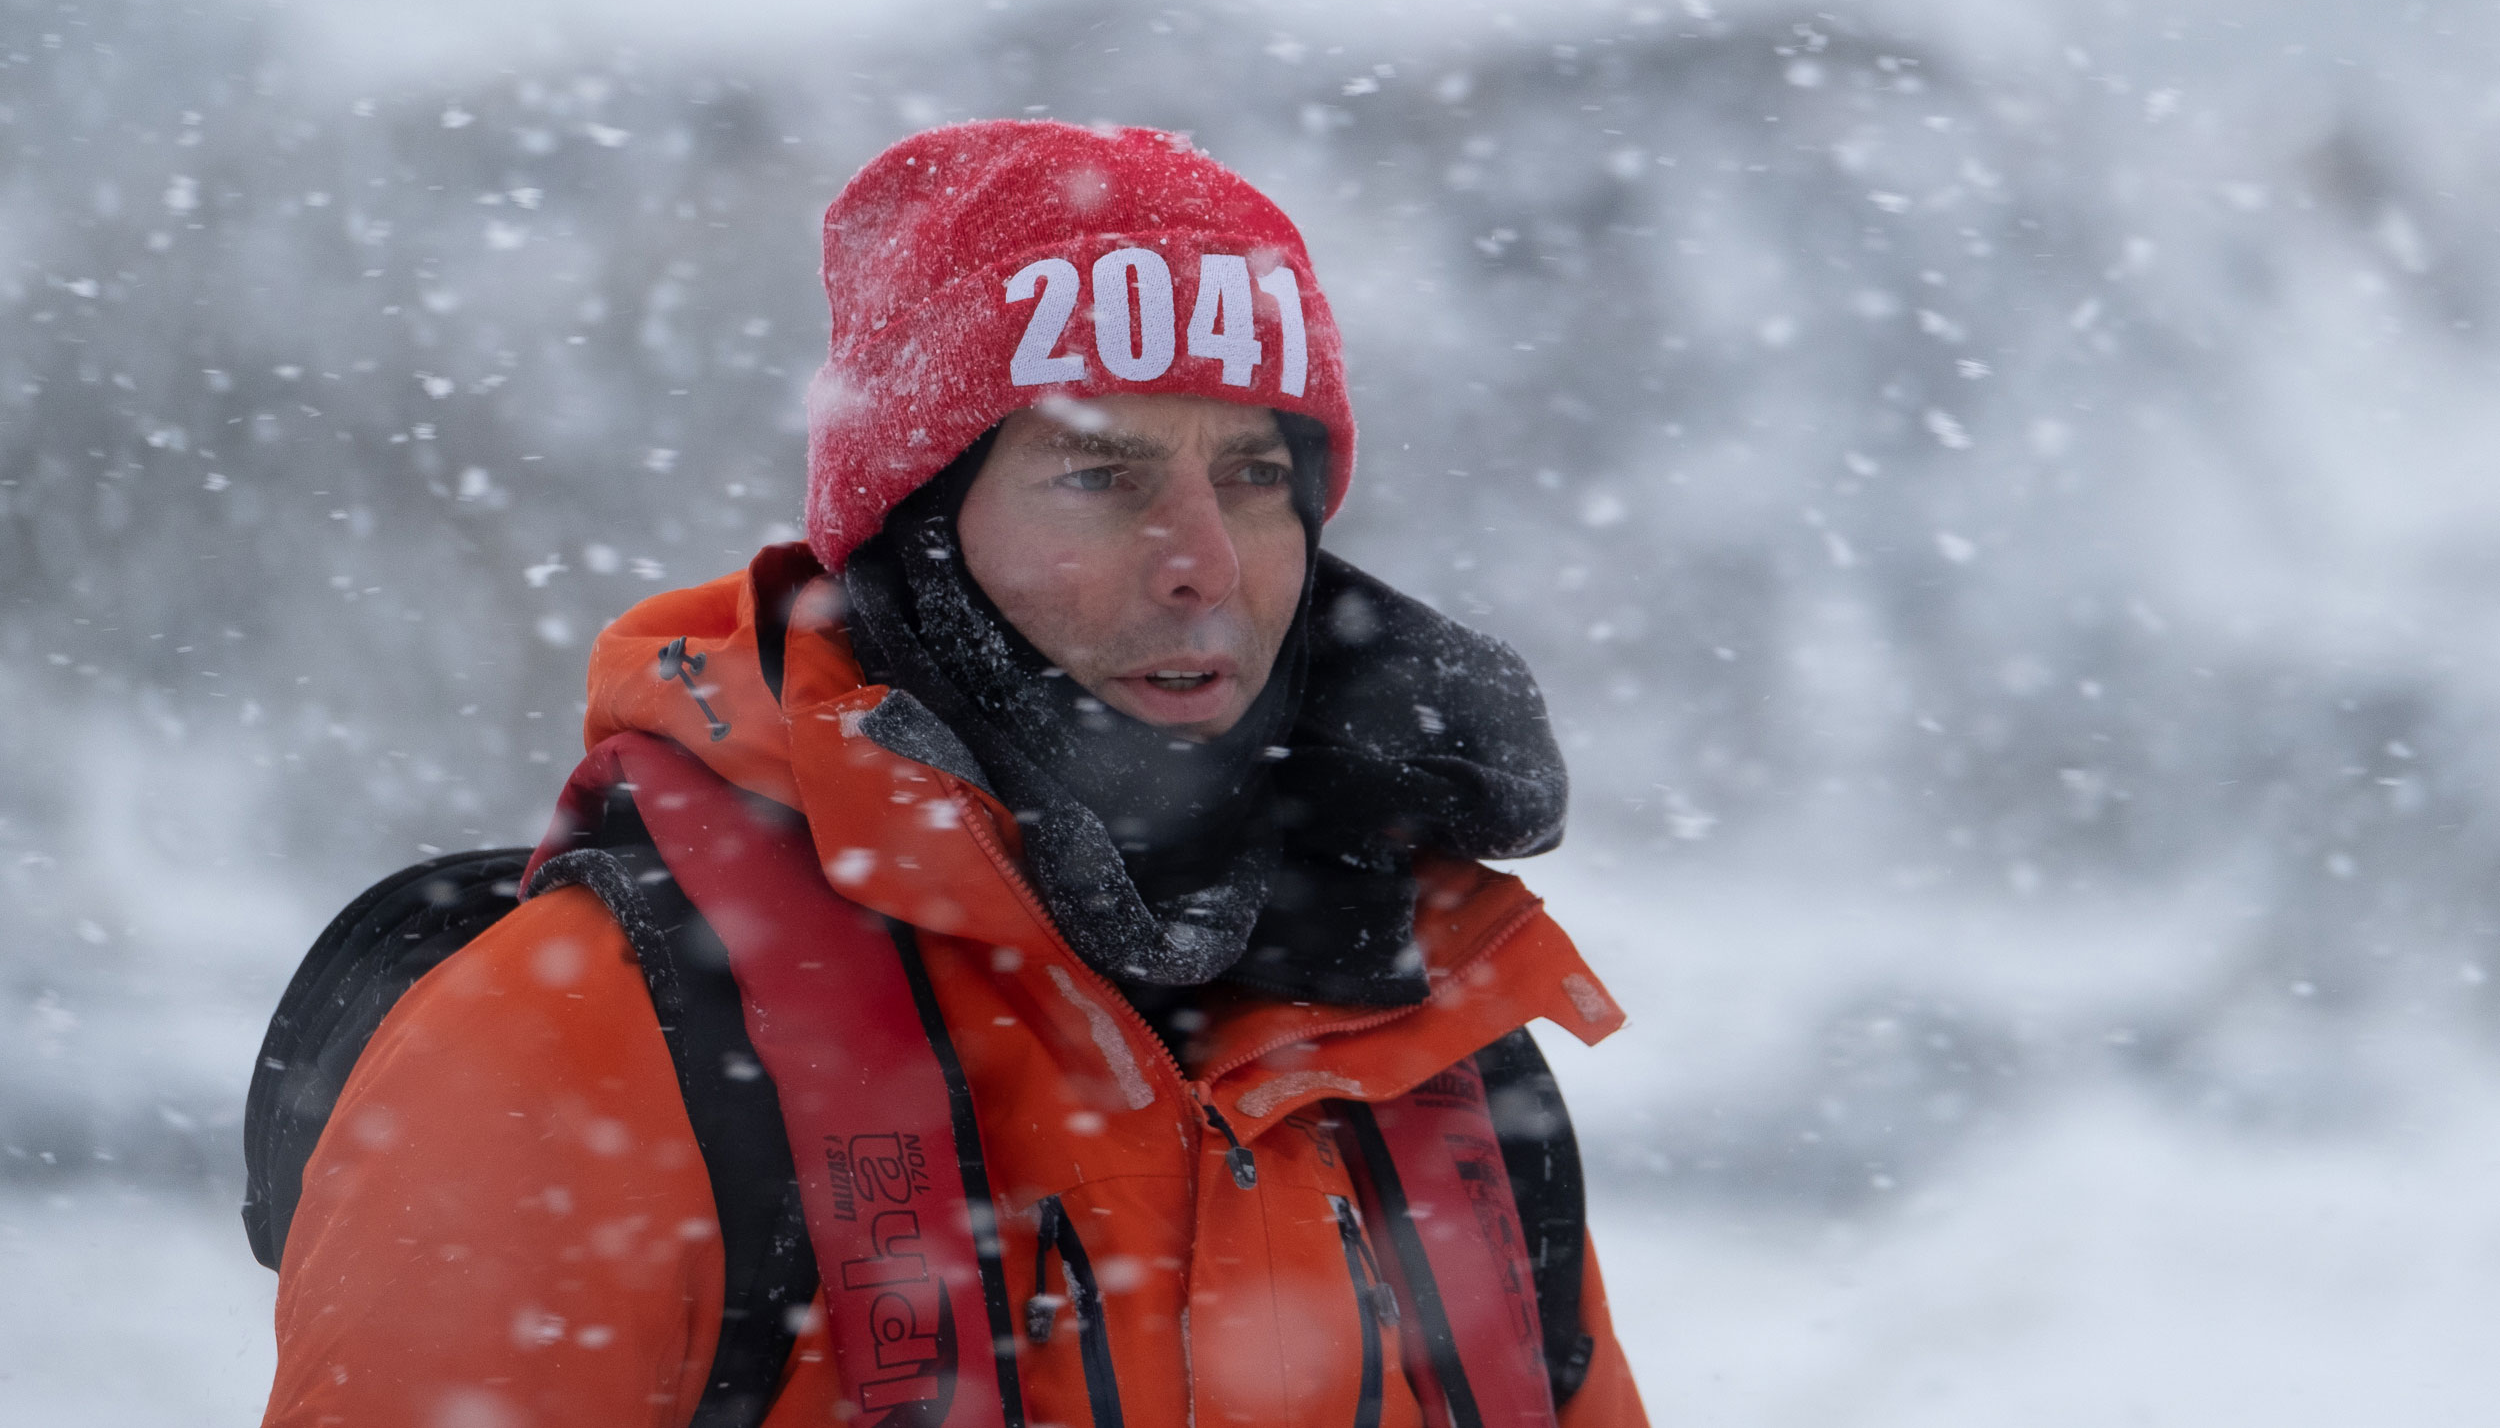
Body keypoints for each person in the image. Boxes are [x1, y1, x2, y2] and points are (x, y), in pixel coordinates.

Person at [259, 120, 1650, 1428]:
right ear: (923, 530)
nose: (1205, 564)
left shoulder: (1426, 1033)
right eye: (1100, 473)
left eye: (1251, 475)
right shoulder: (577, 1040)